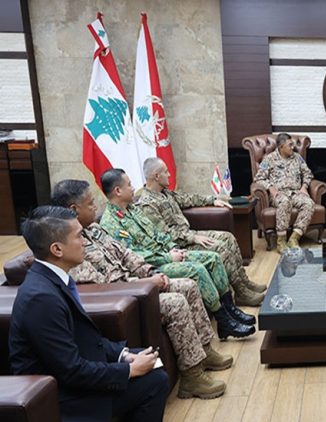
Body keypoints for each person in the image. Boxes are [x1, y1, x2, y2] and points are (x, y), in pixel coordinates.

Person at [9, 206, 168, 422]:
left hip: (74, 375)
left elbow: (86, 340)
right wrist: (129, 370)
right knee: (154, 381)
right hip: (60, 397)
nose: (85, 242)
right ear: (57, 249)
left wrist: (123, 355)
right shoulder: (41, 298)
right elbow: (70, 371)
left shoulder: (53, 279)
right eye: (79, 236)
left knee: (152, 361)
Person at [52, 179, 232, 399]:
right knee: (175, 302)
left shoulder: (94, 229)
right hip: (125, 296)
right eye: (90, 203)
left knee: (188, 285)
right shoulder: (69, 246)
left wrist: (150, 272)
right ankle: (192, 376)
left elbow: (126, 255)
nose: (96, 206)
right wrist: (145, 284)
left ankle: (205, 351)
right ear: (74, 209)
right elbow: (103, 288)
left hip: (136, 282)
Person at [99, 168, 255, 340]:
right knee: (197, 270)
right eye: (129, 184)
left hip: (166, 253)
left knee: (213, 258)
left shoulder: (133, 210)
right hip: (152, 266)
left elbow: (157, 234)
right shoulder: (111, 223)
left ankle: (230, 309)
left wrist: (172, 247)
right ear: (118, 191)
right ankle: (224, 320)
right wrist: (168, 257)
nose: (133, 187)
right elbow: (135, 256)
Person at [137, 157, 266, 306]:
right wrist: (193, 238)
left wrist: (212, 200)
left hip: (188, 234)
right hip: (178, 246)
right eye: (166, 172)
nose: (169, 174)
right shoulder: (148, 204)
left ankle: (244, 283)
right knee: (219, 247)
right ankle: (241, 293)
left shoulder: (165, 193)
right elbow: (164, 235)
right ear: (156, 176)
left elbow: (188, 198)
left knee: (228, 238)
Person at [252, 132, 314, 252]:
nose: (293, 147)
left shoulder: (297, 158)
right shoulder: (269, 159)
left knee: (309, 203)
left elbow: (308, 174)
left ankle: (294, 238)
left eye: (293, 144)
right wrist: (270, 187)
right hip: (279, 194)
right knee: (285, 202)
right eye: (290, 145)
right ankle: (281, 241)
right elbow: (259, 178)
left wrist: (304, 186)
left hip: (296, 192)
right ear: (281, 147)